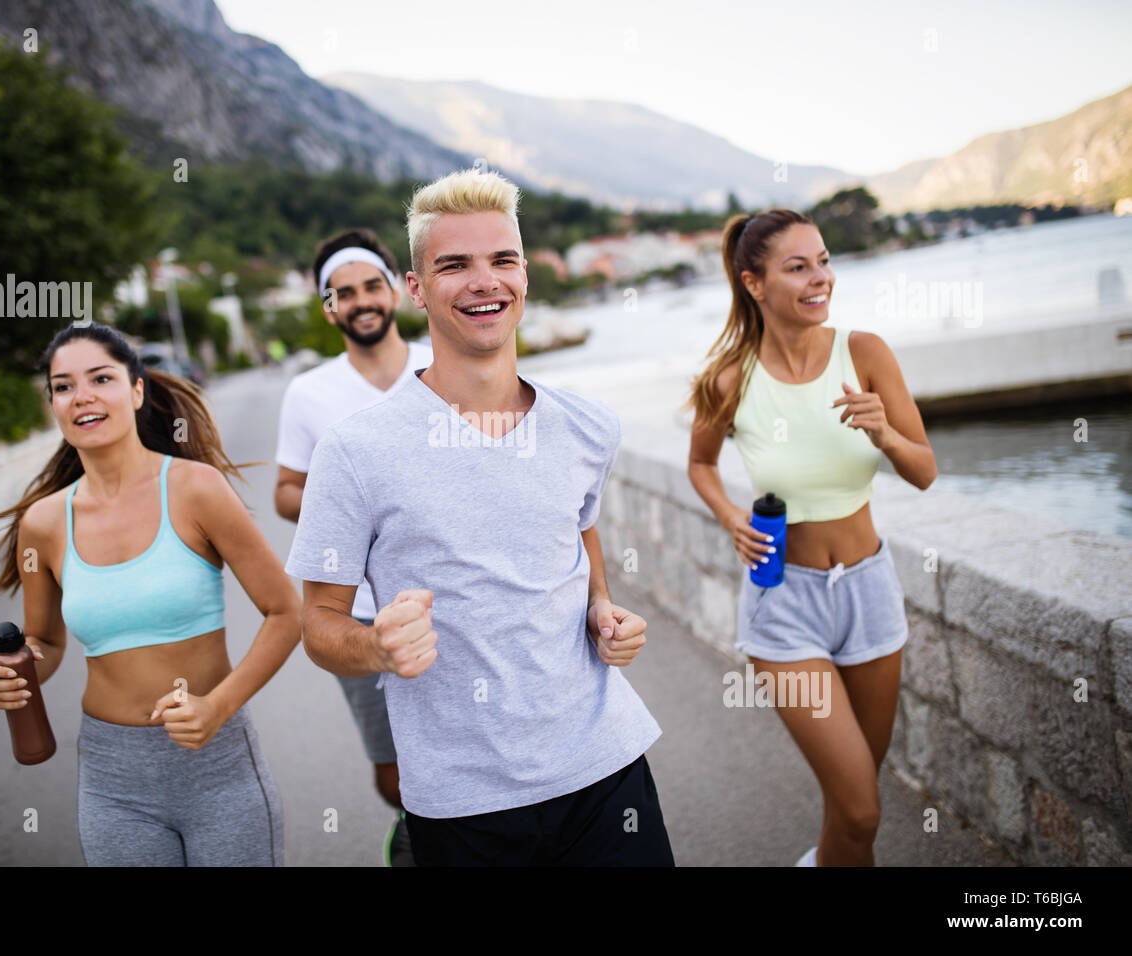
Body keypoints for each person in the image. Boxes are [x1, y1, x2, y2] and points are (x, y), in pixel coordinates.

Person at [285, 169, 674, 866]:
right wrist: (376, 648)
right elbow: (318, 624)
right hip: (461, 801)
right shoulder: (354, 450)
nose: (484, 281)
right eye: (454, 265)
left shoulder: (588, 427)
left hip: (605, 770)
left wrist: (604, 610)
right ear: (417, 287)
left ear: (525, 273)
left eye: (502, 260)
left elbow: (580, 537)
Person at [0, 322, 301, 866]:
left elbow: (285, 611)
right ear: (54, 406)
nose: (81, 396)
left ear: (135, 391)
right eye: (62, 386)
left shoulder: (197, 489)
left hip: (218, 768)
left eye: (100, 378)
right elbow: (45, 643)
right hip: (113, 781)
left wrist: (217, 708)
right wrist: (16, 673)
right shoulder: (44, 524)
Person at [686, 210, 938, 866]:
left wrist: (883, 433)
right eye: (798, 267)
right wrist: (729, 516)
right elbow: (701, 464)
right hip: (784, 607)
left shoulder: (867, 353)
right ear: (755, 284)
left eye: (823, 261)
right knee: (860, 808)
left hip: (870, 593)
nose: (820, 277)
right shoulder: (730, 378)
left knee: (853, 809)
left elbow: (924, 472)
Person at [274, 227, 432, 865]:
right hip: (362, 610)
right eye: (345, 292)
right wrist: (345, 504)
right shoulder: (309, 393)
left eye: (373, 285)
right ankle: (414, 831)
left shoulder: (440, 364)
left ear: (396, 289)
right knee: (394, 769)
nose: (362, 300)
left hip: (459, 594)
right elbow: (286, 491)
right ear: (328, 308)